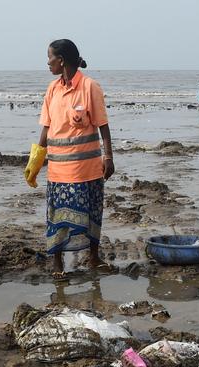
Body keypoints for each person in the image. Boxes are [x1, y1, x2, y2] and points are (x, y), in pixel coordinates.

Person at [24, 39, 115, 278]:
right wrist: (35, 162)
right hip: (58, 171)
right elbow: (46, 128)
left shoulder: (90, 87)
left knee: (92, 214)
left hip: (87, 169)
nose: (48, 63)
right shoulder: (52, 89)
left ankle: (93, 258)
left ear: (61, 60)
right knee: (57, 217)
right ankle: (58, 264)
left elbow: (103, 125)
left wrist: (108, 157)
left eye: (50, 57)